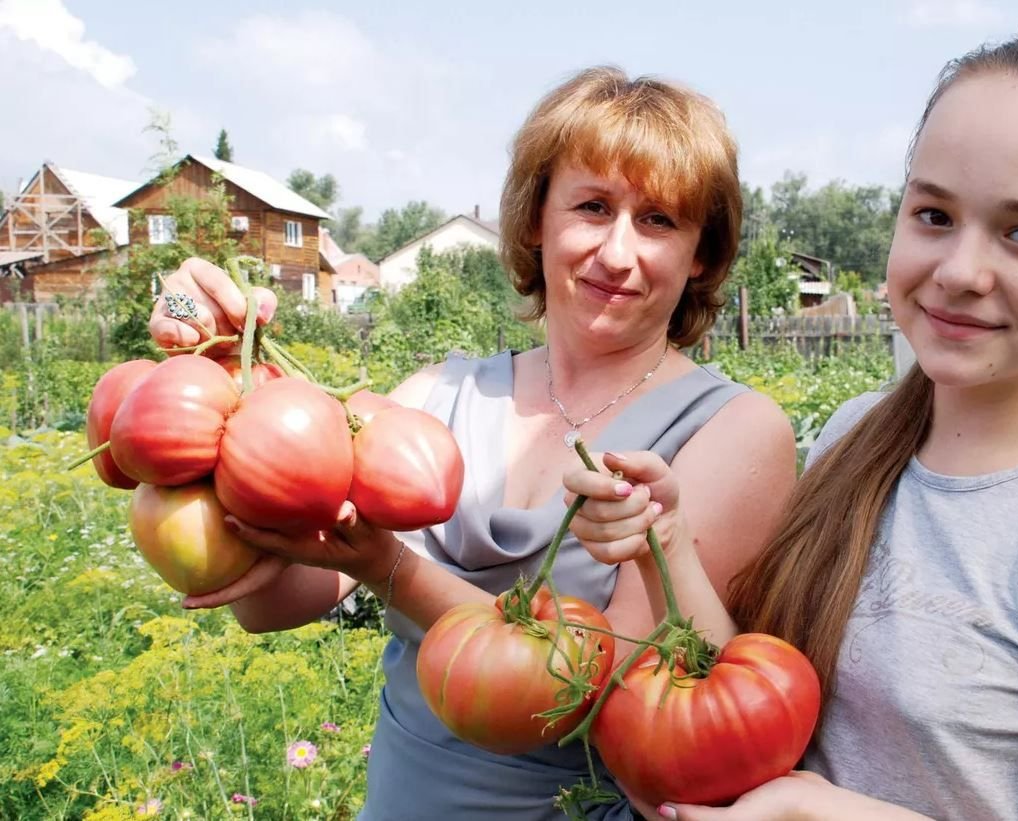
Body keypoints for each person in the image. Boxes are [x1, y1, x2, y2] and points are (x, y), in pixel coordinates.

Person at [564, 37, 1018, 821]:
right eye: (934, 214)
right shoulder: (860, 432)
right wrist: (666, 539)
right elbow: (757, 693)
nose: (961, 269)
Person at [149, 67, 796, 820]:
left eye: (659, 220)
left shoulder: (737, 429)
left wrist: (392, 569)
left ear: (702, 256)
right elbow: (275, 602)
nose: (618, 253)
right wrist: (220, 391)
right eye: (592, 207)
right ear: (535, 221)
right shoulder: (435, 394)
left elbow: (597, 682)